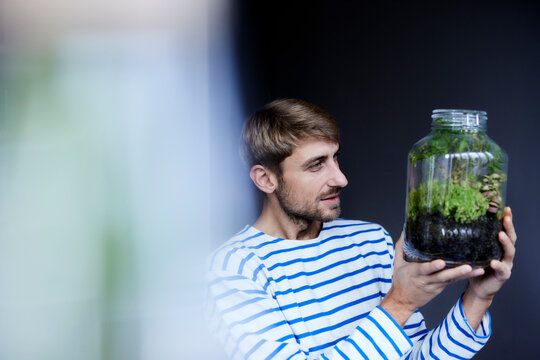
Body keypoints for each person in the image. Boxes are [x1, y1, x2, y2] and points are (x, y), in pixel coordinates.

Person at [205, 98, 516, 359]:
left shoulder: (368, 240)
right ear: (265, 179)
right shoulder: (234, 269)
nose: (340, 179)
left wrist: (478, 297)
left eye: (335, 158)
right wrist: (400, 303)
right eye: (317, 165)